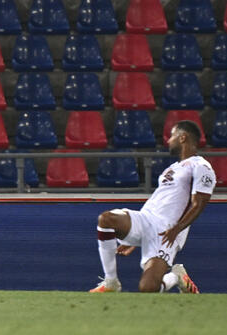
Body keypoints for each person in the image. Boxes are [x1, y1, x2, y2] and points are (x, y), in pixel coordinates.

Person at [89, 120, 215, 294]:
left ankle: (176, 277)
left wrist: (176, 229)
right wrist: (136, 237)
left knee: (148, 288)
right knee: (106, 219)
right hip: (146, 218)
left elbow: (199, 204)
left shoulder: (201, 166)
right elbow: (159, 200)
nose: (168, 141)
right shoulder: (172, 168)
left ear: (183, 138)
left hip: (167, 231)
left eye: (172, 136)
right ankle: (111, 281)